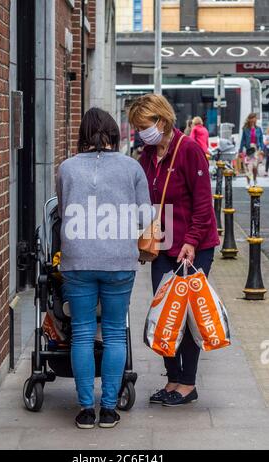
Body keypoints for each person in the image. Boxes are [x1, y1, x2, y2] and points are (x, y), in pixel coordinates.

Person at [56, 107, 152, 429]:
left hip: (77, 259)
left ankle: (85, 409)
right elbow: (144, 217)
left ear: (83, 134)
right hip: (118, 261)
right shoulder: (131, 167)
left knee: (82, 333)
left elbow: (63, 207)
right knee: (113, 334)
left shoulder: (66, 168)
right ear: (114, 133)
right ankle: (109, 408)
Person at [128, 94, 220, 407]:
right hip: (163, 246)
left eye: (144, 126)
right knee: (164, 315)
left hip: (194, 247)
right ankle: (171, 378)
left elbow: (203, 203)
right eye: (137, 128)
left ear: (162, 121)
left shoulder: (189, 151)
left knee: (188, 313)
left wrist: (192, 241)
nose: (141, 133)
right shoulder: (148, 155)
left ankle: (188, 383)